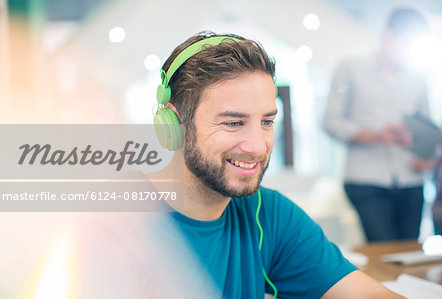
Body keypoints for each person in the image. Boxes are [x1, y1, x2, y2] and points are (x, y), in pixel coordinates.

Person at [154, 31, 403, 298]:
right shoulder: (120, 228)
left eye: (267, 122)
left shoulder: (269, 213)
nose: (258, 146)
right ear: (174, 126)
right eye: (233, 123)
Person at [324, 7, 434, 242]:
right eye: (405, 41)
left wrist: (426, 155)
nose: (407, 50)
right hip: (366, 180)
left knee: (410, 252)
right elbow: (331, 122)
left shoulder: (418, 80)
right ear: (388, 35)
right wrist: (377, 136)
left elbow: (426, 128)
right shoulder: (351, 70)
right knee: (384, 251)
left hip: (410, 179)